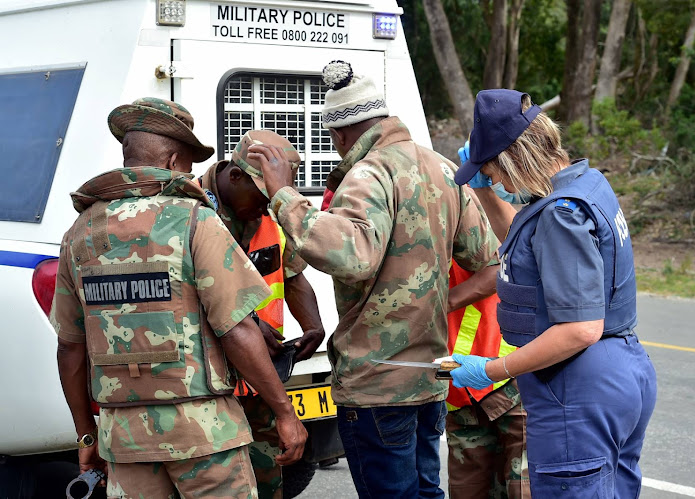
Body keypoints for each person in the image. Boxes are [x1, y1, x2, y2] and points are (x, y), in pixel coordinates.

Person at [250, 60, 500, 498]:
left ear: (343, 133)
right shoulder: (442, 168)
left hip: (377, 385)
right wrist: (433, 301)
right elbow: (487, 258)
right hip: (428, 378)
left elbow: (351, 257)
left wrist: (283, 194)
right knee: (425, 493)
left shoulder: (368, 174)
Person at [51, 97, 307, 498]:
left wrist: (87, 438)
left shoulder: (80, 232)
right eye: (188, 164)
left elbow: (70, 349)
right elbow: (236, 331)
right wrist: (284, 413)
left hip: (124, 440)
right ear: (173, 161)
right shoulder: (194, 219)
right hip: (204, 436)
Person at [449, 89, 658, 498]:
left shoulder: (561, 214)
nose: (497, 182)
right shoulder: (585, 184)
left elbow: (580, 329)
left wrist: (493, 370)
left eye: (494, 173)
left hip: (577, 387)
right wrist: (485, 192)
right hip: (621, 370)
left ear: (514, 158)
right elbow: (528, 244)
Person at [198, 129, 325, 499]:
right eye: (262, 196)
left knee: (268, 483)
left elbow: (293, 274)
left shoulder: (269, 212)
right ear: (235, 176)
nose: (268, 206)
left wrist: (312, 325)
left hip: (261, 385)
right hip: (208, 389)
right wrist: (251, 323)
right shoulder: (189, 210)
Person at [443, 145, 531, 498]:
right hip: (460, 387)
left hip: (509, 380)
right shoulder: (423, 221)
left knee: (523, 489)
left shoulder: (483, 215)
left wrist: (441, 305)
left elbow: (504, 263)